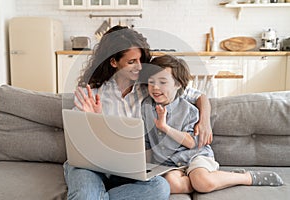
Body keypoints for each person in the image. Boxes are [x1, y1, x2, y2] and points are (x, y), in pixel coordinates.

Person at [65, 25, 212, 199]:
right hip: (89, 166)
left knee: (160, 188)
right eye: (131, 62)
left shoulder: (151, 88)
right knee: (85, 194)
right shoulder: (92, 94)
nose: (140, 67)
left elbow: (199, 96)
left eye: (141, 60)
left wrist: (205, 122)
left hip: (125, 170)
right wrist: (92, 119)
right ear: (114, 62)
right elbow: (77, 143)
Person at [141, 55, 284, 194]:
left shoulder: (189, 110)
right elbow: (147, 142)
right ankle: (209, 179)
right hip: (170, 163)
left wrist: (165, 127)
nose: (155, 87)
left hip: (194, 155)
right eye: (151, 82)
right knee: (172, 185)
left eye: (162, 82)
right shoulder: (145, 108)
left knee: (203, 182)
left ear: (178, 84)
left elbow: (191, 143)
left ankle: (245, 177)